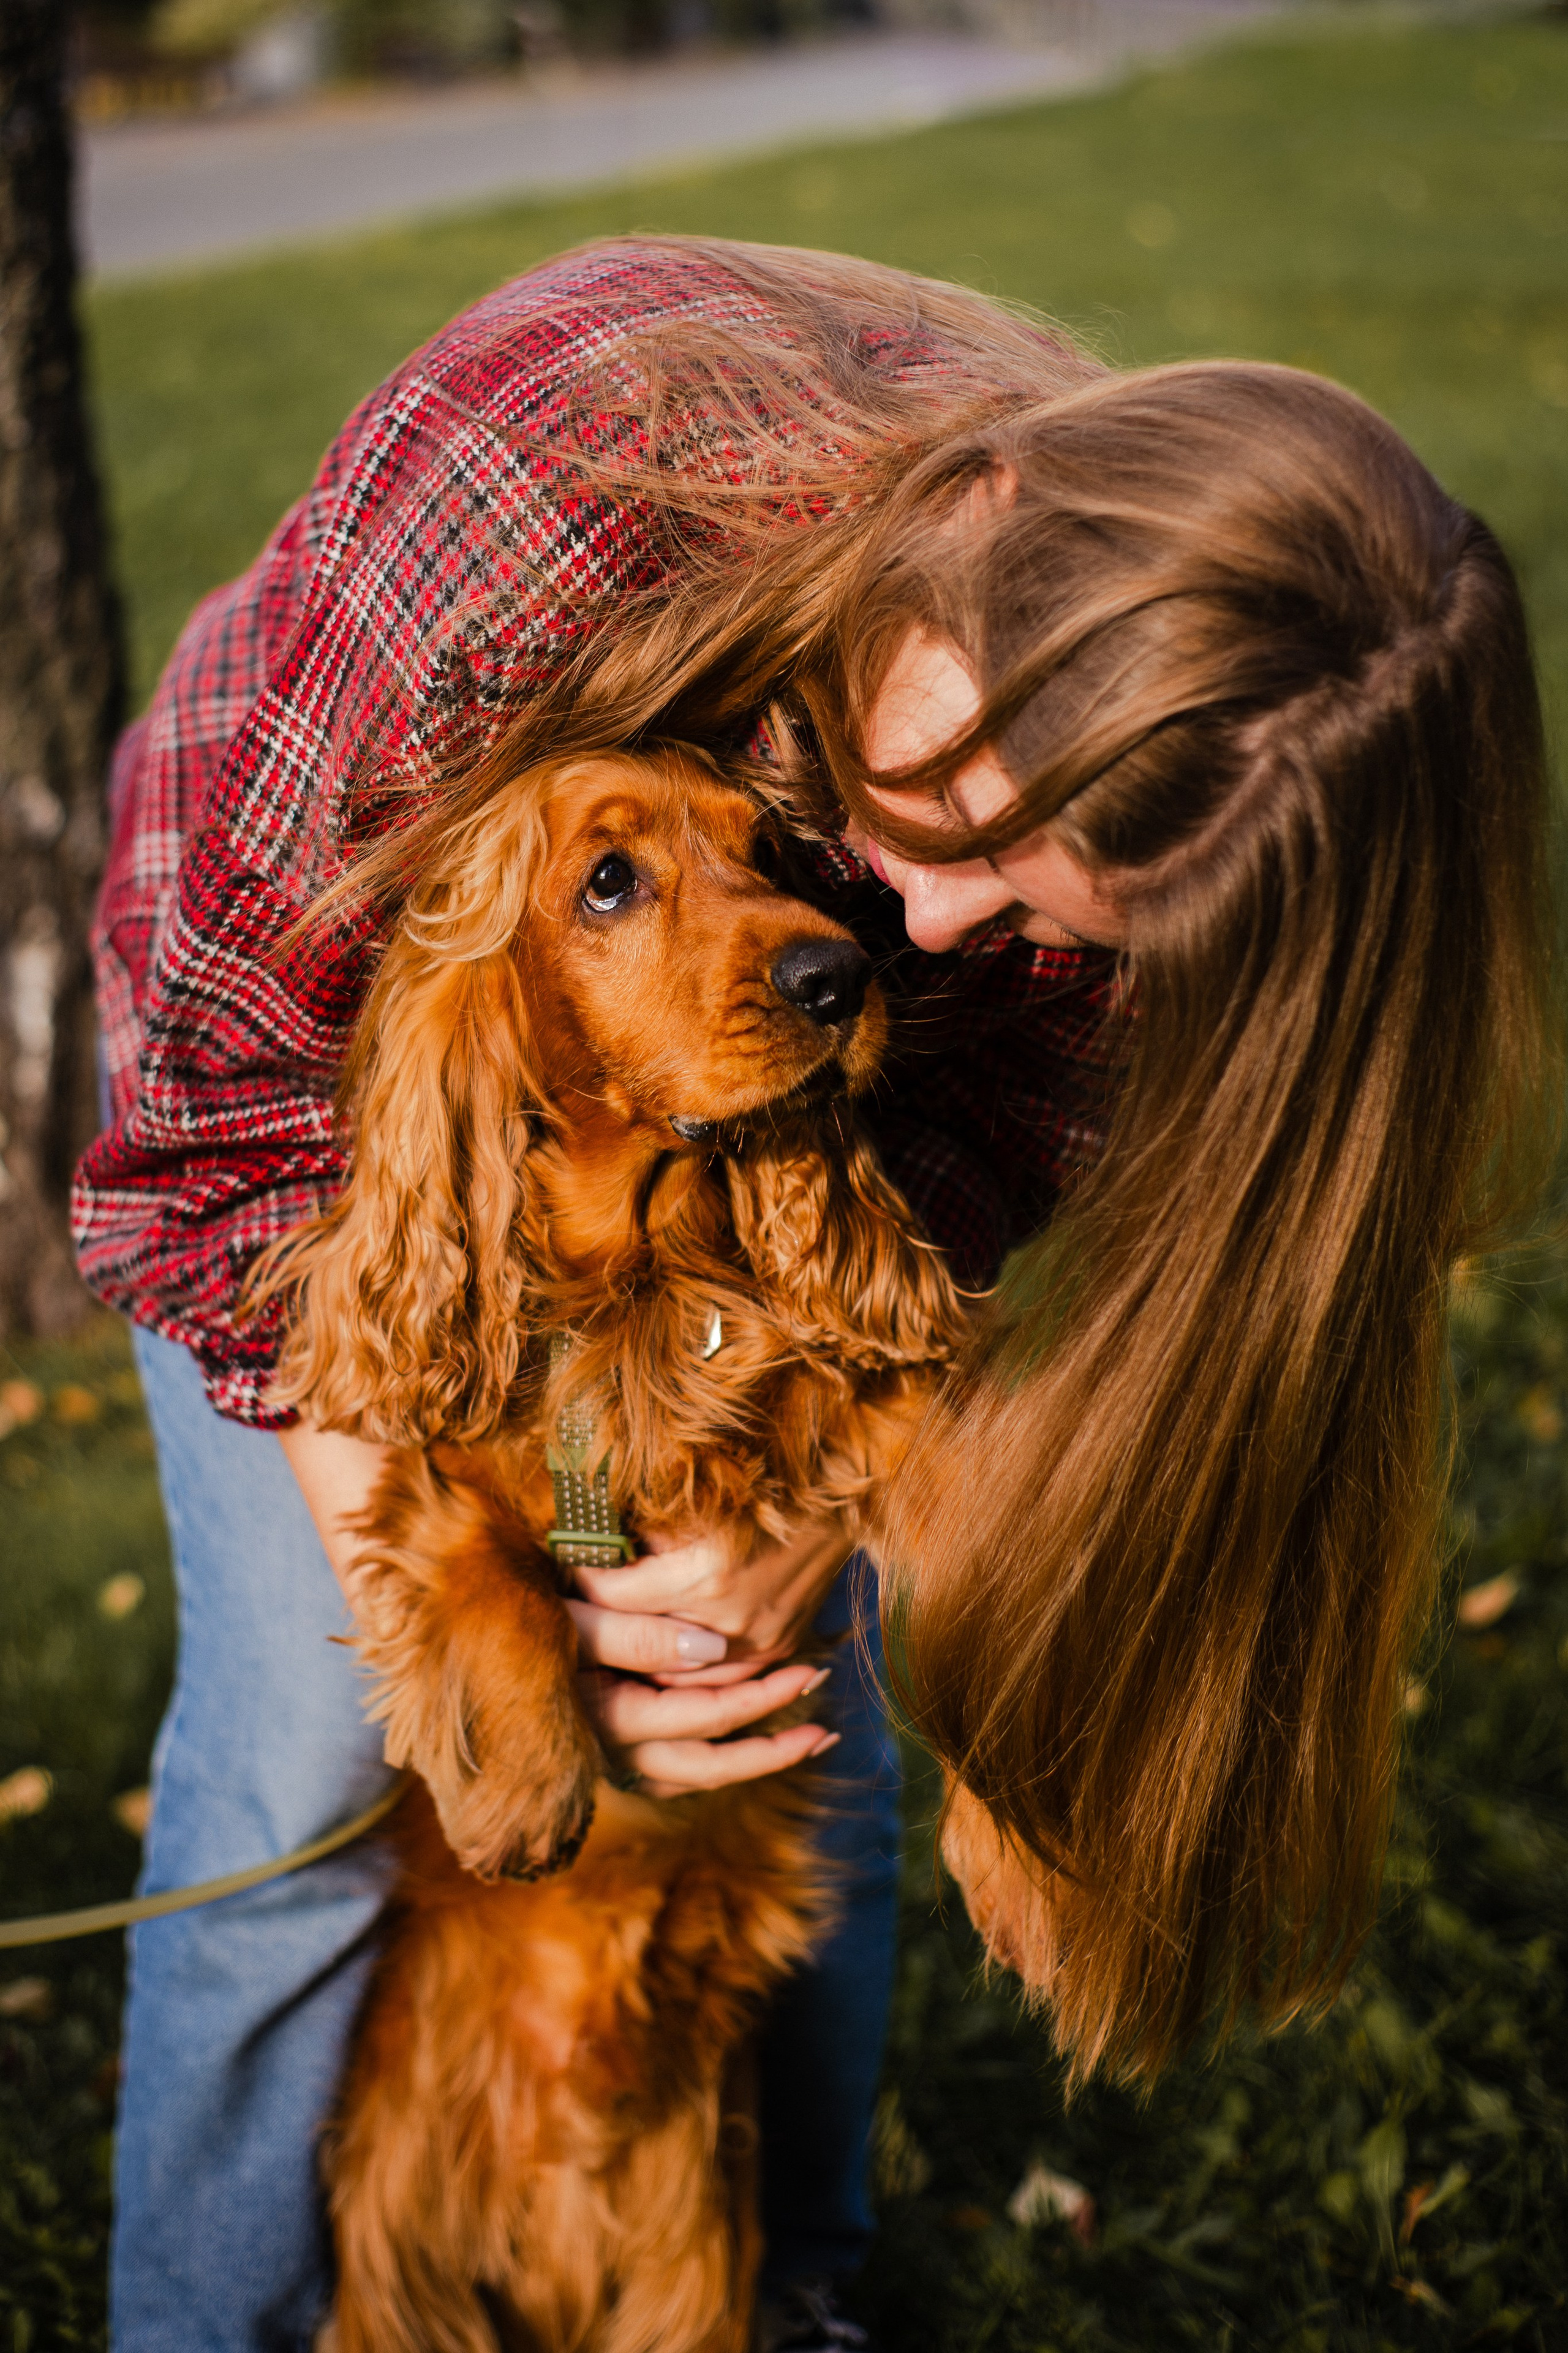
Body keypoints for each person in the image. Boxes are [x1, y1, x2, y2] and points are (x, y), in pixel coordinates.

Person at [74, 235, 1555, 2352]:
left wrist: (742, 1542)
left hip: (682, 1192)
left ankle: (791, 2302)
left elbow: (931, 1196)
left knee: (808, 1706)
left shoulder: (1113, 834)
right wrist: (488, 1592)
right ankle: (202, 2324)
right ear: (970, 541)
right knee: (311, 1749)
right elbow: (212, 1166)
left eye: (1035, 907)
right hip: (280, 1076)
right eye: (958, 817)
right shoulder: (528, 505)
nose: (915, 921)